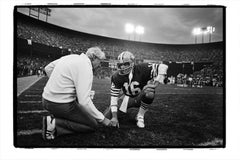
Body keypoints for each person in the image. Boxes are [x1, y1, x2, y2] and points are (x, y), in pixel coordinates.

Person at [42, 47, 112, 140]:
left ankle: (57, 118)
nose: (100, 65)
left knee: (80, 112)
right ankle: (55, 124)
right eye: (100, 61)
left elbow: (48, 68)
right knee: (92, 125)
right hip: (60, 104)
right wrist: (104, 120)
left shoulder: (71, 57)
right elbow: (84, 102)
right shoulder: (86, 66)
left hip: (45, 99)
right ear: (94, 57)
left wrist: (59, 85)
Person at [104, 51, 168, 128]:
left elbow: (163, 67)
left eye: (126, 64)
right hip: (126, 98)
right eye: (121, 65)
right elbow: (114, 98)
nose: (123, 67)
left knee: (150, 91)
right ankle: (122, 111)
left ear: (132, 63)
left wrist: (155, 85)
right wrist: (114, 117)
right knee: (107, 117)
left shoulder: (142, 68)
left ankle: (140, 116)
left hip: (140, 96)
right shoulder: (116, 76)